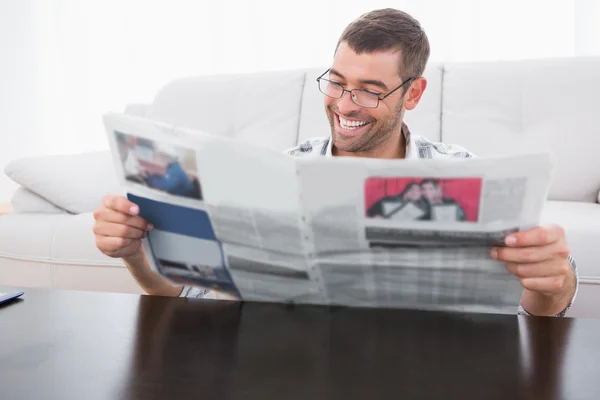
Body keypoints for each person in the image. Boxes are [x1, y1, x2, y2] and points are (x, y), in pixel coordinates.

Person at [93, 8, 578, 316]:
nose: (345, 104)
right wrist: (136, 252)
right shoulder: (278, 174)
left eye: (370, 90)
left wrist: (555, 282)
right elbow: (184, 301)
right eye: (337, 81)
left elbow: (538, 309)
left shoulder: (461, 172)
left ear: (414, 93)